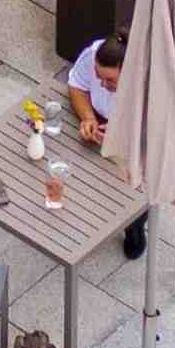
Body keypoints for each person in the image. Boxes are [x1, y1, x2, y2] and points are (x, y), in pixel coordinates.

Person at [66, 33, 149, 261]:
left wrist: (121, 134)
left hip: (139, 144)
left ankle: (135, 223)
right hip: (102, 129)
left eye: (110, 81)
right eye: (99, 77)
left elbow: (157, 133)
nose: (102, 84)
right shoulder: (94, 55)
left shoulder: (150, 87)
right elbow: (77, 85)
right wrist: (88, 118)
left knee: (131, 180)